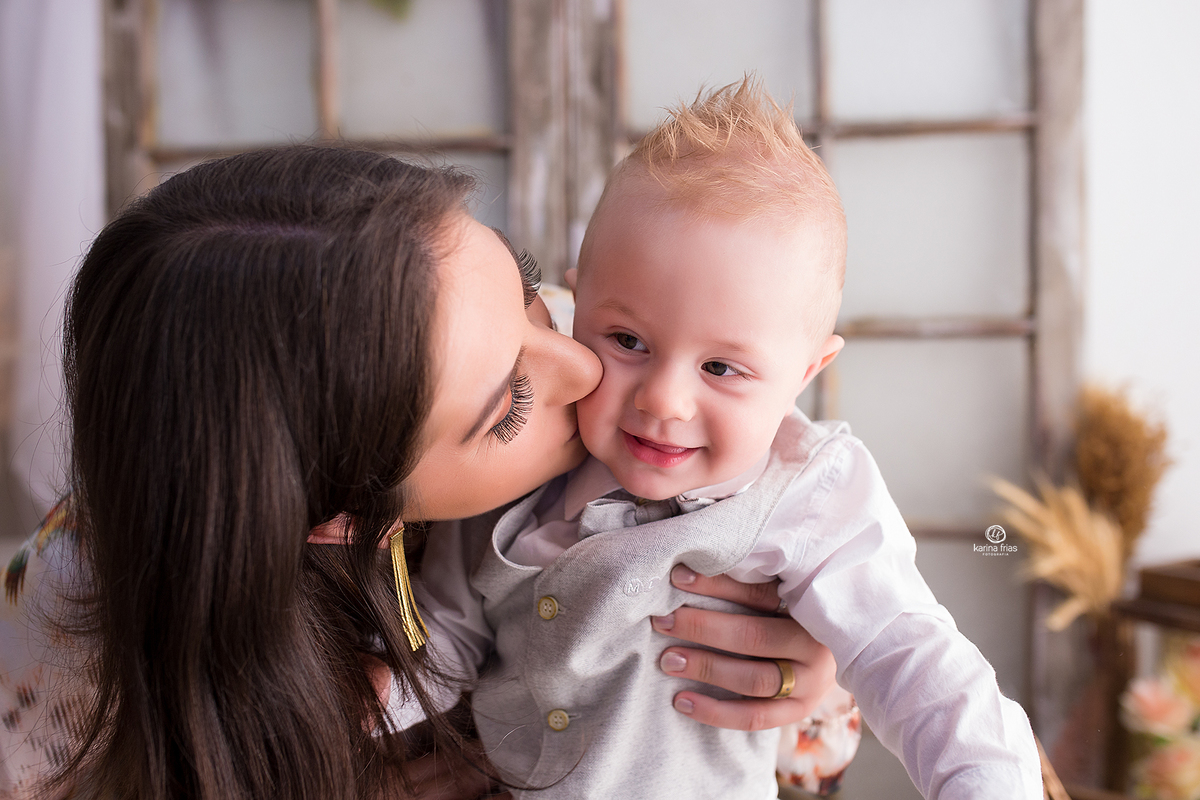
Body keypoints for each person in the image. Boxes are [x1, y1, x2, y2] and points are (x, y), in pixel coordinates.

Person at [0, 145, 837, 800]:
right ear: (346, 515)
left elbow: (819, 758)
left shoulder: (637, 360)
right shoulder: (79, 602)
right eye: (508, 405)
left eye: (530, 288)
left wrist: (815, 671)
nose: (584, 365)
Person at [417, 79, 1044, 798]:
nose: (663, 398)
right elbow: (444, 632)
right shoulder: (517, 442)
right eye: (626, 340)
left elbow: (913, 657)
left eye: (722, 367)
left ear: (806, 373)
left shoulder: (809, 490)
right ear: (575, 305)